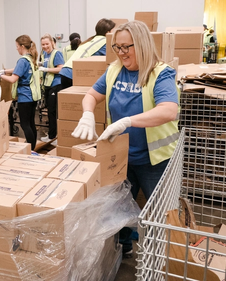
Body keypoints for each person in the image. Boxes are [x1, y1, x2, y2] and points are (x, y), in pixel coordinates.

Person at [71, 20, 180, 257]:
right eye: (116, 48)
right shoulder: (114, 71)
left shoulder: (159, 74)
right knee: (117, 210)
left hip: (154, 161)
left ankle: (163, 257)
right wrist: (88, 112)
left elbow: (169, 110)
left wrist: (127, 121)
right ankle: (124, 249)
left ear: (141, 44)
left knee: (160, 213)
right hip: (121, 158)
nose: (121, 53)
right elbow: (91, 94)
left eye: (126, 47)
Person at [0, 35, 41, 151]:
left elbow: (13, 79)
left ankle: (30, 149)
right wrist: (5, 70)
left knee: (25, 125)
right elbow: (18, 69)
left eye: (17, 46)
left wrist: (1, 75)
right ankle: (32, 147)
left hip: (25, 97)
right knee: (31, 123)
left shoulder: (22, 60)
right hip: (33, 96)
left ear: (21, 46)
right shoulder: (31, 58)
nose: (16, 49)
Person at [59, 19, 115, 89]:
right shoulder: (106, 42)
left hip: (65, 71)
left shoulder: (91, 40)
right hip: (75, 72)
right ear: (108, 32)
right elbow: (112, 59)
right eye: (113, 31)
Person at [39, 33, 64, 144]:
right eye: (43, 44)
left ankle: (54, 136)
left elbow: (60, 69)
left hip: (56, 84)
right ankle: (51, 135)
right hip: (47, 85)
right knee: (50, 111)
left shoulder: (56, 53)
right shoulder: (44, 54)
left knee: (53, 112)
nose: (45, 46)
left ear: (52, 43)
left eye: (47, 44)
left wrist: (46, 69)